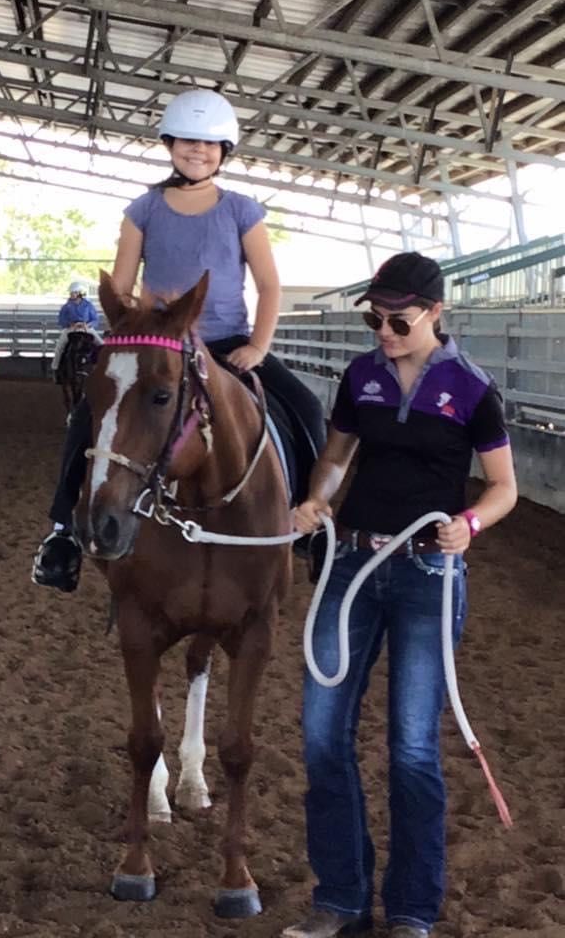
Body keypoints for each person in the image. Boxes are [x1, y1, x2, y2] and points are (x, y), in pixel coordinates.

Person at [282, 252, 517, 938]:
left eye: (397, 320)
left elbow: (502, 486)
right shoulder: (361, 377)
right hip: (353, 561)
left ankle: (412, 909)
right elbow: (336, 455)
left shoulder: (473, 389)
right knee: (323, 736)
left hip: (427, 577)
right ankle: (341, 899)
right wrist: (315, 500)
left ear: (435, 313)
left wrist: (469, 524)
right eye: (373, 318)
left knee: (413, 747)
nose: (382, 331)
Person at [32, 87, 326, 591]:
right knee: (88, 416)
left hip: (228, 340)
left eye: (210, 144)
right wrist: (126, 339)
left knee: (304, 406)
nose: (199, 150)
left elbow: (269, 285)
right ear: (170, 144)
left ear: (225, 151)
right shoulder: (143, 209)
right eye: (189, 141)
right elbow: (121, 288)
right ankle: (62, 532)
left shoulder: (241, 210)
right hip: (158, 346)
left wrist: (258, 346)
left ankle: (311, 522)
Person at [51, 280, 100, 379]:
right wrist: (69, 324)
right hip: (71, 329)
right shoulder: (66, 306)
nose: (72, 294)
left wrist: (88, 325)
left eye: (74, 292)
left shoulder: (88, 305)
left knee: (101, 344)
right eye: (71, 293)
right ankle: (55, 369)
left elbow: (95, 319)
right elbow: (61, 319)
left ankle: (100, 367)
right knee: (60, 346)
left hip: (86, 328)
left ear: (79, 293)